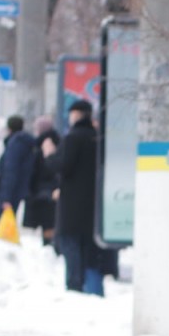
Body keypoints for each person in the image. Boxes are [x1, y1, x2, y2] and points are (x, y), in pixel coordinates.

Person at [56, 100, 108, 294]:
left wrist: (50, 155)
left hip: (72, 204)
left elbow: (64, 165)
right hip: (94, 204)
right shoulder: (98, 138)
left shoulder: (72, 138)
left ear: (76, 115)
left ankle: (74, 287)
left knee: (71, 246)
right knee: (89, 249)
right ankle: (92, 288)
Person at [0, 114, 36, 229]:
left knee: (6, 223)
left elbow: (10, 171)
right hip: (19, 187)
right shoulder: (25, 142)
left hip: (12, 190)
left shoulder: (15, 144)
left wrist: (6, 197)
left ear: (9, 128)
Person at [25, 118, 60, 246]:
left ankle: (49, 244)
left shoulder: (44, 144)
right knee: (49, 220)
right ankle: (49, 244)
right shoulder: (56, 141)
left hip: (45, 188)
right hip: (49, 188)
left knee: (47, 220)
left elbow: (46, 166)